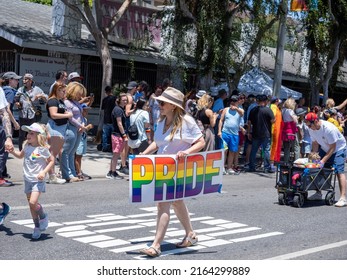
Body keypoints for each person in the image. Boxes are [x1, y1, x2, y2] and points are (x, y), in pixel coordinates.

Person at [139, 87, 205, 258]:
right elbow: (158, 143)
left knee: (163, 203)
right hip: (163, 168)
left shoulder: (186, 121)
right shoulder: (162, 122)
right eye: (159, 102)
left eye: (162, 102)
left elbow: (201, 142)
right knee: (176, 201)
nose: (159, 105)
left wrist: (186, 153)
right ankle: (190, 234)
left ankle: (156, 245)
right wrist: (144, 154)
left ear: (173, 106)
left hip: (178, 169)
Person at [8, 123, 54, 239]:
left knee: (33, 202)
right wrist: (12, 151)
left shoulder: (42, 149)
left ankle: (43, 216)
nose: (28, 135)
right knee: (31, 205)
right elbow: (20, 156)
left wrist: (43, 172)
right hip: (27, 179)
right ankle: (37, 227)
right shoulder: (27, 146)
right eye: (28, 132)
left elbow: (51, 161)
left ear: (39, 136)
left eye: (32, 133)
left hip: (37, 181)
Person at [304, 112, 347, 207]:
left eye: (310, 124)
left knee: (339, 171)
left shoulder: (328, 129)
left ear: (316, 121)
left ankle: (343, 198)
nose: (308, 127)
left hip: (338, 148)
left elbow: (333, 147)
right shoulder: (311, 129)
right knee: (317, 169)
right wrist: (314, 157)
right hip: (324, 147)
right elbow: (315, 143)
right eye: (307, 124)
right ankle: (318, 193)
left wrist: (323, 161)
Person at [46, 82, 72, 184]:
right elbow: (53, 115)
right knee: (53, 153)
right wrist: (67, 115)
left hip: (61, 128)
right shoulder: (52, 101)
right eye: (63, 91)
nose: (64, 93)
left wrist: (66, 113)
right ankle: (52, 176)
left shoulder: (59, 101)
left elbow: (62, 111)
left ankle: (52, 175)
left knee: (54, 152)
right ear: (57, 90)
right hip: (55, 127)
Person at [61, 82, 87, 182]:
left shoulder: (75, 102)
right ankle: (67, 174)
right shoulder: (67, 102)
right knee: (67, 152)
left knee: (72, 153)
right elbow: (70, 117)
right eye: (79, 93)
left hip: (78, 129)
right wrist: (81, 125)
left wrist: (82, 125)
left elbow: (79, 115)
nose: (81, 95)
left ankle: (72, 173)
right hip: (71, 128)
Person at [15, 73, 48, 150]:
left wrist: (40, 96)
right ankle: (21, 150)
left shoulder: (37, 89)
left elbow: (46, 98)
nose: (24, 81)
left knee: (33, 133)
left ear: (31, 81)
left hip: (33, 115)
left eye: (26, 79)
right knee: (22, 134)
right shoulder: (20, 89)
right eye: (24, 79)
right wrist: (17, 103)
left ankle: (32, 148)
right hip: (23, 114)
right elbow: (16, 98)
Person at [246, 94, 275, 173]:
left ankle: (251, 166)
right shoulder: (268, 110)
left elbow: (249, 122)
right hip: (266, 133)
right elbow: (273, 120)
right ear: (265, 101)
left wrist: (249, 132)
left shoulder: (253, 110)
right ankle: (267, 167)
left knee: (254, 150)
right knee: (266, 150)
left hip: (255, 132)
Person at [218, 95, 244, 174]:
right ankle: (222, 167)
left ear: (237, 102)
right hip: (225, 133)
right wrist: (219, 131)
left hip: (234, 134)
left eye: (234, 101)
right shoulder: (226, 109)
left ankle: (229, 167)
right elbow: (221, 120)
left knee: (232, 151)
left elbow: (242, 114)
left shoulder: (240, 110)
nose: (232, 102)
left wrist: (236, 108)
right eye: (231, 101)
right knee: (224, 150)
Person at [106, 93, 128, 180]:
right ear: (118, 100)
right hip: (117, 135)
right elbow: (119, 123)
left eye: (126, 100)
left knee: (116, 154)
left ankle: (111, 171)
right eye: (123, 100)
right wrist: (124, 135)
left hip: (118, 135)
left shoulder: (120, 109)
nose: (125, 101)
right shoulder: (118, 110)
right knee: (116, 154)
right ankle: (113, 172)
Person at [75, 103, 94, 180]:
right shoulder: (78, 119)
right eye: (85, 111)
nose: (87, 113)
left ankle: (79, 170)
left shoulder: (85, 119)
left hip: (83, 139)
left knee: (80, 156)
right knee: (77, 156)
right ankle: (78, 172)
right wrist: (86, 127)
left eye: (87, 111)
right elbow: (79, 130)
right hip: (79, 139)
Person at [282, 97, 299, 163]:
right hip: (292, 131)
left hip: (285, 130)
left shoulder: (283, 110)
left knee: (286, 147)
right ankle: (296, 162)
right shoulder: (290, 111)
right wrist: (296, 118)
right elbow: (295, 120)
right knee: (296, 147)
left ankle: (286, 162)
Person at [101, 85, 116, 152]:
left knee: (105, 135)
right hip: (113, 119)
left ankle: (105, 147)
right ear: (111, 90)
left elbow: (103, 109)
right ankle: (113, 147)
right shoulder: (115, 98)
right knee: (114, 134)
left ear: (106, 92)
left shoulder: (104, 99)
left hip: (106, 119)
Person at [269, 97, 283, 168]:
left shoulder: (274, 107)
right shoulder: (274, 107)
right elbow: (273, 117)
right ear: (276, 101)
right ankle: (271, 162)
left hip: (275, 129)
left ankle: (271, 161)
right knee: (273, 146)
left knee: (273, 145)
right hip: (273, 129)